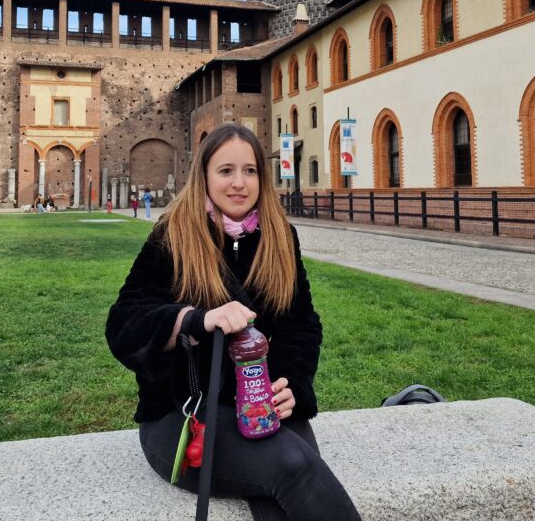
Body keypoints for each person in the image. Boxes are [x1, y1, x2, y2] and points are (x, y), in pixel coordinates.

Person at [106, 124, 360, 521]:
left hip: (260, 406)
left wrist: (290, 383)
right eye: (226, 171)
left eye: (250, 171)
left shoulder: (279, 237)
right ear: (205, 176)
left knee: (287, 481)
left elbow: (300, 323)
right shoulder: (172, 237)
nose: (239, 183)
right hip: (182, 418)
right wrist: (195, 319)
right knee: (293, 466)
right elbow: (124, 325)